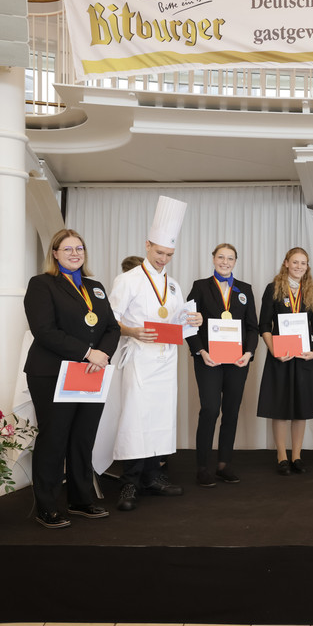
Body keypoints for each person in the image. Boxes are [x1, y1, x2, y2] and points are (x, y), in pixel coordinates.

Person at [105, 196, 203, 510]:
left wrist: (194, 320)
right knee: (136, 418)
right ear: (147, 245)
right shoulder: (128, 280)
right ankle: (129, 482)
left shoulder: (173, 285)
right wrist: (133, 331)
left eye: (169, 255)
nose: (163, 259)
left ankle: (152, 477)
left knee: (161, 417)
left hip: (166, 358)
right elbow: (110, 320)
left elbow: (178, 320)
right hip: (138, 358)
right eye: (159, 252)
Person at [23, 229, 120, 528]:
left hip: (91, 372)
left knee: (82, 437)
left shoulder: (95, 287)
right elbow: (44, 330)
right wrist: (88, 353)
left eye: (79, 248)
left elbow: (112, 327)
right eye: (67, 249)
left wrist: (102, 354)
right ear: (54, 253)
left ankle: (80, 499)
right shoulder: (41, 284)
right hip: (52, 372)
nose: (75, 253)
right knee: (54, 438)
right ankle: (47, 506)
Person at [185, 243, 259, 487]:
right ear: (213, 259)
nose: (225, 262)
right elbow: (188, 323)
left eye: (230, 258)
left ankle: (224, 464)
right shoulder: (200, 286)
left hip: (238, 361)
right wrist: (201, 351)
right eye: (221, 257)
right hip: (209, 359)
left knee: (231, 410)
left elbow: (252, 327)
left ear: (235, 261)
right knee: (210, 409)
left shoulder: (245, 289)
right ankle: (202, 467)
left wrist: (249, 353)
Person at [256, 247, 313, 475]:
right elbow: (264, 325)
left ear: (307, 266)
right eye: (295, 262)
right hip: (281, 356)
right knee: (280, 407)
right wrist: (274, 350)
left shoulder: (312, 290)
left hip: (304, 357)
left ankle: (296, 455)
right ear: (286, 263)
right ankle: (281, 456)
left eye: (303, 263)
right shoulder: (273, 288)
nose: (299, 266)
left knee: (301, 408)